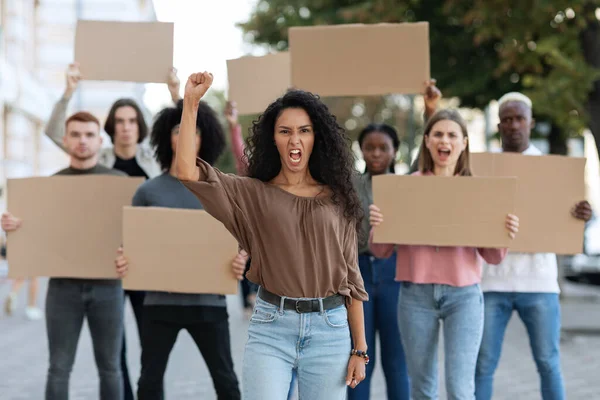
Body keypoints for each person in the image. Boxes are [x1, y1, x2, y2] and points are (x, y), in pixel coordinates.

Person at [175, 71, 369, 400]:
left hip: (330, 329)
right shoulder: (252, 194)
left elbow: (351, 276)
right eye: (285, 131)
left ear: (316, 138)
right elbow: (187, 172)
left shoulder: (339, 198)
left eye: (304, 131)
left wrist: (360, 349)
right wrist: (191, 103)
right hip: (271, 326)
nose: (295, 140)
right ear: (273, 139)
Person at [368, 109, 520, 399]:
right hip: (415, 296)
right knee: (422, 388)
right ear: (427, 141)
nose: (444, 140)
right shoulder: (405, 187)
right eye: (438, 134)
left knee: (460, 389)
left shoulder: (478, 191)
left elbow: (494, 256)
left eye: (452, 135)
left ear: (463, 143)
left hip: (463, 297)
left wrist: (504, 233)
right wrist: (379, 226)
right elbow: (381, 250)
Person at [114, 99, 242, 400]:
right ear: (166, 138)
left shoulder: (220, 189)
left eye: (193, 130)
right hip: (159, 306)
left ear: (205, 137)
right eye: (178, 129)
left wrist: (241, 259)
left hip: (209, 305)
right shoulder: (148, 191)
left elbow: (239, 241)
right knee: (149, 383)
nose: (185, 135)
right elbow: (133, 246)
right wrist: (124, 259)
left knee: (226, 382)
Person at [475, 92, 592, 400]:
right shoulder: (483, 168)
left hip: (539, 282)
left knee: (548, 363)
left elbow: (566, 217)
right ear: (499, 125)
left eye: (520, 118)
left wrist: (580, 214)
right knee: (483, 364)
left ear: (531, 123)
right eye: (507, 119)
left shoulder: (552, 169)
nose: (514, 125)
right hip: (491, 282)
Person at [1, 111, 126, 400]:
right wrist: (14, 227)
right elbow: (37, 232)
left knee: (110, 368)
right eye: (76, 134)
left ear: (99, 140)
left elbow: (134, 234)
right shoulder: (50, 185)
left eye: (89, 135)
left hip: (108, 288)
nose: (83, 141)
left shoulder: (119, 182)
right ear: (66, 139)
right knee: (58, 368)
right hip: (62, 289)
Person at [349, 80, 441, 400]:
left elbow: (425, 160)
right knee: (359, 359)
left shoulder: (407, 182)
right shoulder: (351, 184)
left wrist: (430, 111)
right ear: (361, 150)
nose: (375, 153)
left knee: (396, 360)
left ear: (393, 151)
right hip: (357, 273)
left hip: (395, 274)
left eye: (383, 147)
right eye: (369, 147)